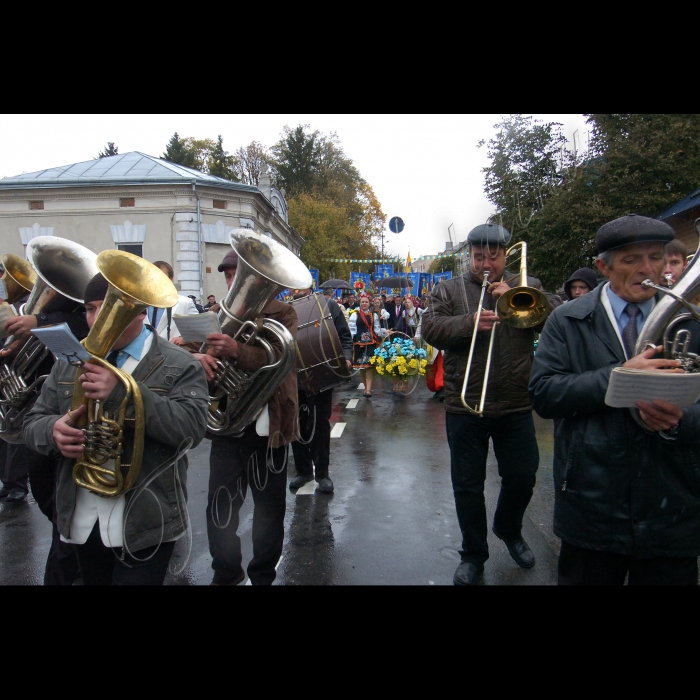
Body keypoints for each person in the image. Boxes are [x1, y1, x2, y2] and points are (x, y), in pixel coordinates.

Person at [530, 213, 700, 585]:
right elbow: (544, 394)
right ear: (603, 266)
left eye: (656, 257)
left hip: (672, 508)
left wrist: (681, 420)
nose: (647, 270)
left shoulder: (689, 319)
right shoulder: (567, 319)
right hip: (592, 505)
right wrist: (620, 376)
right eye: (631, 260)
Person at [23, 272, 209, 585]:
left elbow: (191, 430)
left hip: (146, 519)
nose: (96, 320)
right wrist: (52, 430)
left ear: (140, 311)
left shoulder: (179, 363)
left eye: (108, 308)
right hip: (83, 518)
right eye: (90, 309)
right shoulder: (71, 359)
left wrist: (125, 393)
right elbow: (32, 423)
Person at [421, 223, 562, 586]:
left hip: (515, 402)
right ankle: (473, 554)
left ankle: (508, 527)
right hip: (464, 403)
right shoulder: (448, 288)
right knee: (467, 484)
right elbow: (430, 328)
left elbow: (556, 322)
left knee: (523, 475)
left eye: (493, 257)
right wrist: (468, 322)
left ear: (505, 256)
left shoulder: (525, 285)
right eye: (478, 256)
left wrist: (516, 293)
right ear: (468, 255)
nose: (486, 264)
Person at [195, 249, 299, 585]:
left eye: (236, 275)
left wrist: (236, 350)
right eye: (228, 275)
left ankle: (263, 575)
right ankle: (226, 572)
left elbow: (282, 356)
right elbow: (192, 357)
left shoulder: (284, 313)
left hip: (270, 428)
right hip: (227, 427)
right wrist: (199, 358)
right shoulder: (214, 313)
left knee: (269, 510)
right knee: (220, 507)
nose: (232, 282)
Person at [288, 288, 353, 494]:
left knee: (319, 425)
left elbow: (344, 335)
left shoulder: (328, 304)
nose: (296, 288)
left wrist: (348, 357)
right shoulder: (285, 309)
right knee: (297, 426)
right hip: (294, 377)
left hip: (322, 374)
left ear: (309, 284)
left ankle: (323, 474)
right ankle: (303, 471)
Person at [150, 261, 199, 344]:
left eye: (162, 276)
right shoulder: (140, 304)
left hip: (173, 353)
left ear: (171, 278)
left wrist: (184, 339)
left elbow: (199, 330)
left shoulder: (185, 303)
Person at [348, 294, 385, 398]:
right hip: (359, 344)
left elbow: (377, 330)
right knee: (362, 367)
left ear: (369, 303)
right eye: (362, 302)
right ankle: (366, 387)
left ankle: (368, 390)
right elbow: (351, 330)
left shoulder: (374, 315)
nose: (364, 304)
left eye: (366, 302)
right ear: (360, 304)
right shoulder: (354, 315)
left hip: (371, 344)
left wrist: (384, 332)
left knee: (369, 366)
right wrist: (350, 342)